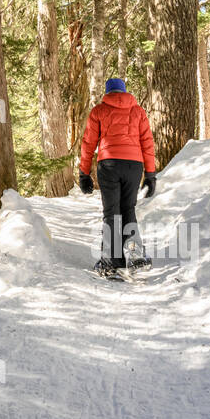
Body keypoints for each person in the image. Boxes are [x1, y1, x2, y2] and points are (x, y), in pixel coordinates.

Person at [78, 77, 156, 277]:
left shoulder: (99, 111)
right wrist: (150, 174)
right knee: (128, 209)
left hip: (109, 164)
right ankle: (135, 256)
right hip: (134, 165)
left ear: (108, 92)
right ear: (124, 92)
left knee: (111, 212)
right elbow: (147, 143)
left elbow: (88, 143)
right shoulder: (138, 112)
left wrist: (84, 172)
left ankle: (111, 262)